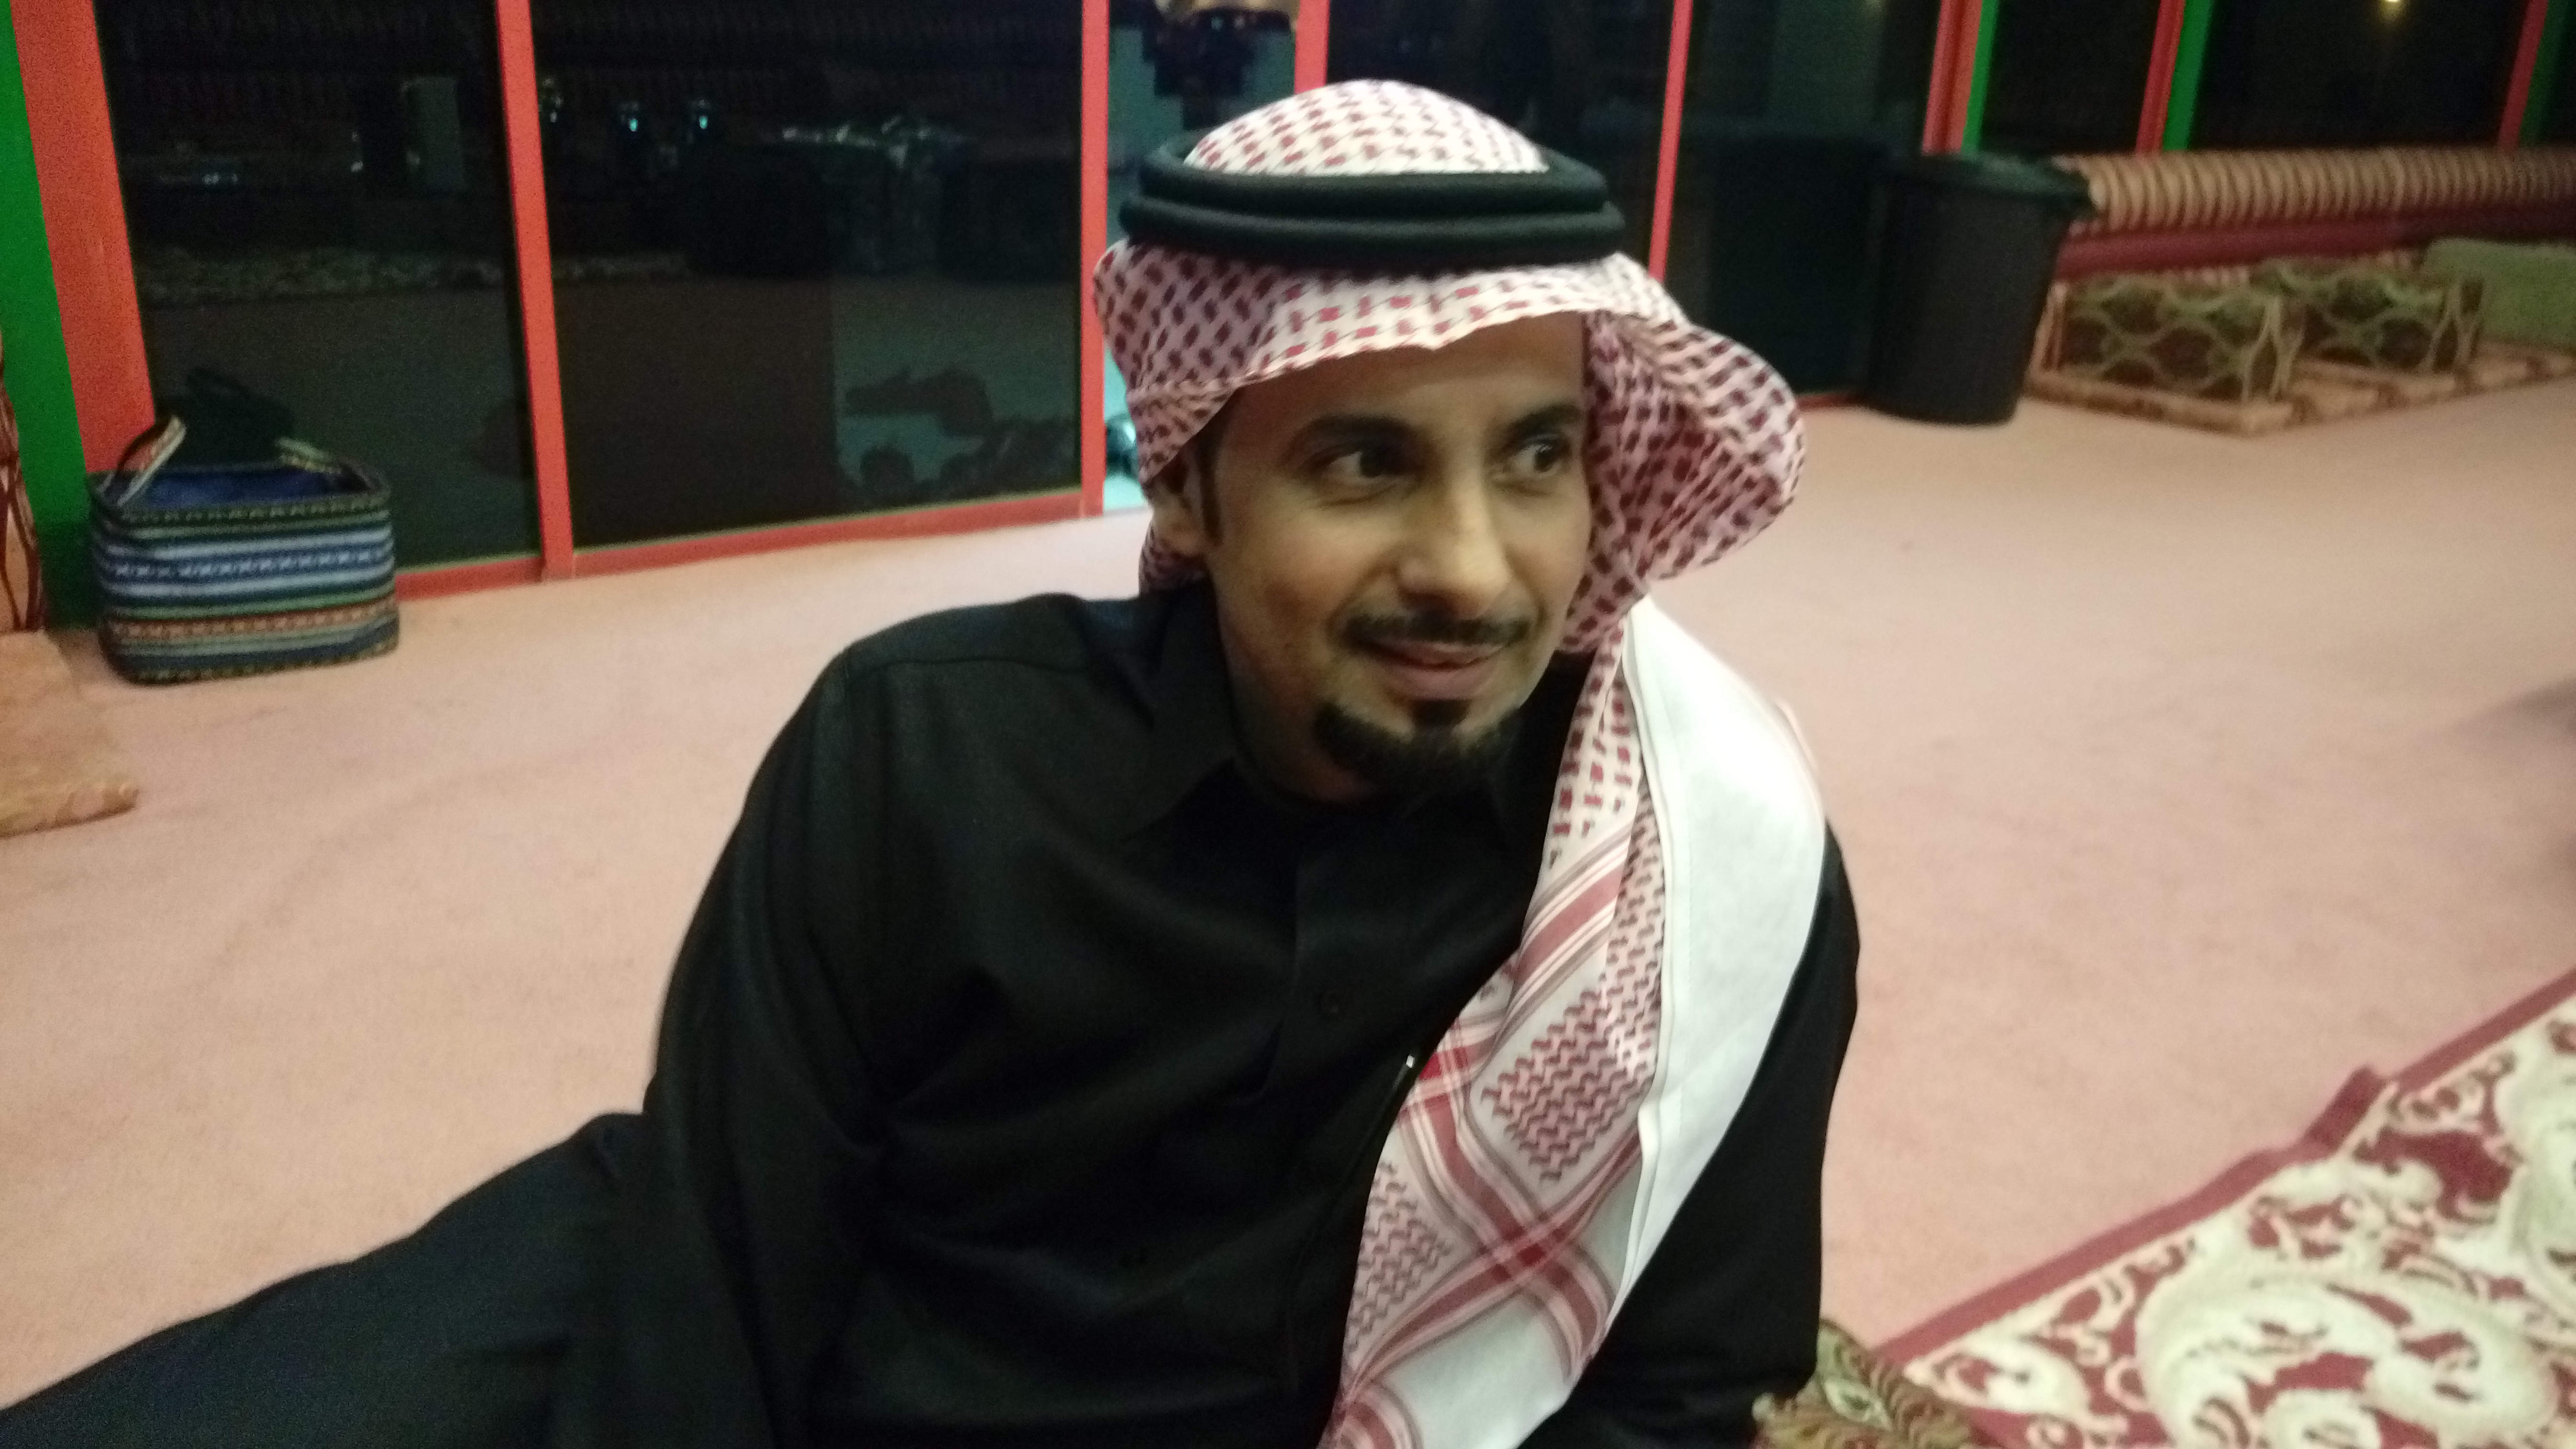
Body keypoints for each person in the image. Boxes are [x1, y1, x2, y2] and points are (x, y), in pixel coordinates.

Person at [0, 80, 1856, 1449]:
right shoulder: (927, 753)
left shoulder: (1706, 865)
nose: (1473, 567)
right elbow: (724, 1279)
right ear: (1187, 491)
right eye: (1363, 462)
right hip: (801, 1304)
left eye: (1537, 458)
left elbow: (1676, 1387)